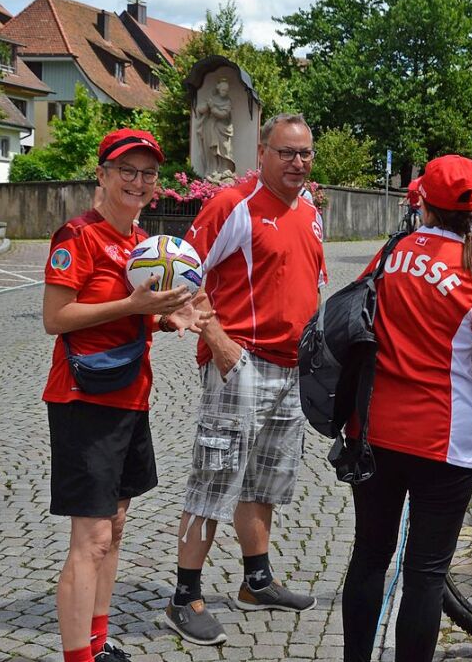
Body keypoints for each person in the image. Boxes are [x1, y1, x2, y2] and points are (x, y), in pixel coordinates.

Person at [42, 128, 211, 662]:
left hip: (129, 397)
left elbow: (128, 321)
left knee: (114, 529)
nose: (138, 182)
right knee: (89, 539)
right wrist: (134, 309)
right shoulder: (77, 236)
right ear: (103, 175)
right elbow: (56, 319)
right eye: (127, 171)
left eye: (147, 173)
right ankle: (78, 656)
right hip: (84, 400)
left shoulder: (136, 244)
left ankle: (98, 641)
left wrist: (165, 319)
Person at [341, 155, 472, 662]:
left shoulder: (389, 254)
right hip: (446, 438)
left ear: (424, 205)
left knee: (370, 555)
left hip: (374, 430)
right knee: (426, 572)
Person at [166, 113, 327, 645]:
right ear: (262, 152)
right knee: (214, 479)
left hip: (289, 369)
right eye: (287, 153)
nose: (298, 163)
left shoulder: (309, 210)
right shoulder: (232, 204)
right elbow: (181, 273)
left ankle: (256, 581)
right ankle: (184, 594)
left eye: (304, 153)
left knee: (265, 483)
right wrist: (218, 342)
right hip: (242, 363)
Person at [195, 77, 235, 173]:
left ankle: (225, 170)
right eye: (223, 90)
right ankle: (212, 170)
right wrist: (206, 107)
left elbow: (223, 114)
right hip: (210, 127)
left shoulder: (228, 101)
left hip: (223, 128)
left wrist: (212, 108)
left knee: (225, 148)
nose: (224, 92)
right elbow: (200, 109)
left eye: (226, 90)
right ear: (218, 89)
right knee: (211, 150)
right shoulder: (211, 99)